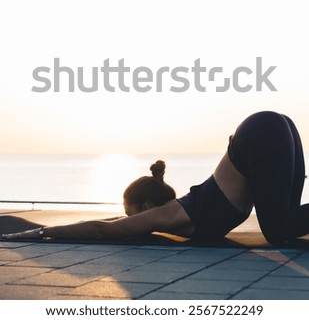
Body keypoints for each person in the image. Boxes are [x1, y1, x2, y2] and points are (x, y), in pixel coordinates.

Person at [2, 111, 309, 245]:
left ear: (147, 205)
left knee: (278, 229)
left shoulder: (169, 213)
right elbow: (110, 224)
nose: (129, 223)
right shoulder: (180, 211)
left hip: (261, 135)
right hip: (275, 128)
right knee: (289, 221)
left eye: (130, 214)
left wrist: (40, 233)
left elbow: (102, 230)